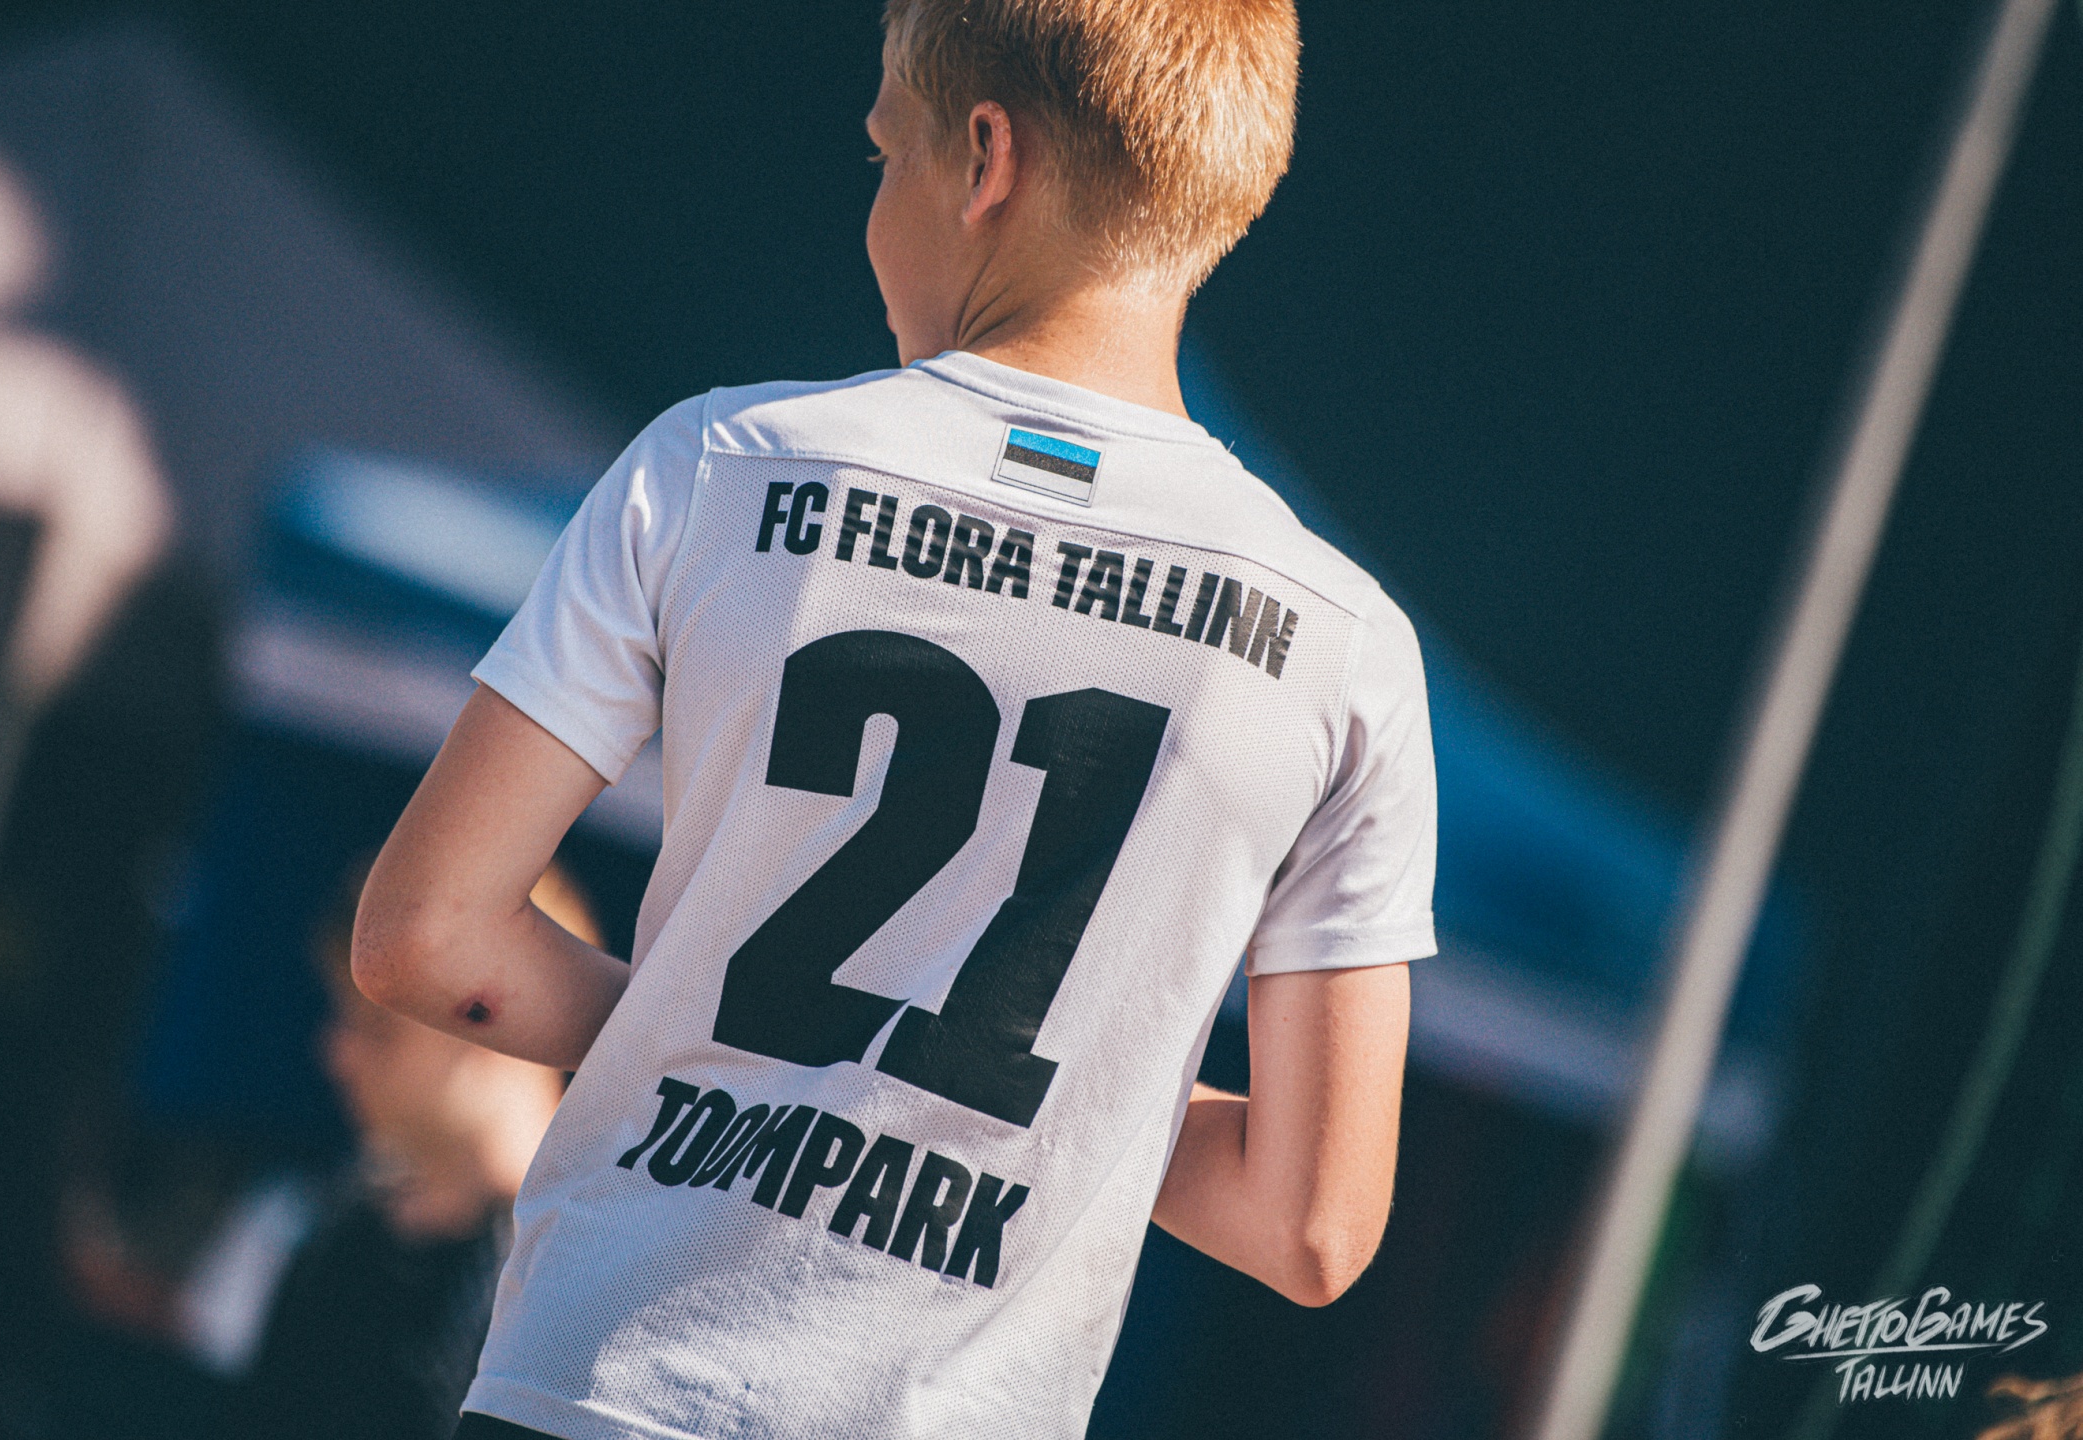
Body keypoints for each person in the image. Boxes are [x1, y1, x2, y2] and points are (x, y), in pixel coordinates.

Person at [353, 1, 1436, 1436]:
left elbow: (424, 936)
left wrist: (736, 1036)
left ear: (986, 157)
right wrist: (1033, 1104)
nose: (874, 208)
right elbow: (1312, 1223)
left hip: (594, 1387)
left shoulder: (717, 465)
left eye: (885, 154)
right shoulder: (1344, 649)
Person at [235, 864, 595, 1439]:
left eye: (377, 1026)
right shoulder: (341, 1240)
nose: (337, 1053)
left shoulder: (586, 1278)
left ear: (501, 1023)